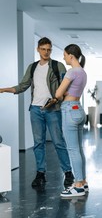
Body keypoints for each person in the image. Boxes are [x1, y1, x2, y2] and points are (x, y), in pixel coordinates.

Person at [0, 37, 73, 188]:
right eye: (43, 49)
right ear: (38, 49)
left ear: (51, 50)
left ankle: (68, 173)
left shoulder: (57, 66)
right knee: (38, 143)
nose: (46, 52)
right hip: (35, 110)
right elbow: (22, 86)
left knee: (58, 142)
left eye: (49, 49)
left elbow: (65, 87)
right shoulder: (32, 67)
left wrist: (56, 100)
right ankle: (41, 173)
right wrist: (4, 89)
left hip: (53, 110)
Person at [54, 44, 88, 197]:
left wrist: (62, 91)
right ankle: (84, 182)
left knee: (73, 150)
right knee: (79, 149)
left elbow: (58, 94)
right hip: (79, 109)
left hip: (69, 109)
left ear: (71, 56)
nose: (63, 57)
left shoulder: (72, 71)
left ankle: (78, 185)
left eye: (65, 55)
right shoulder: (83, 72)